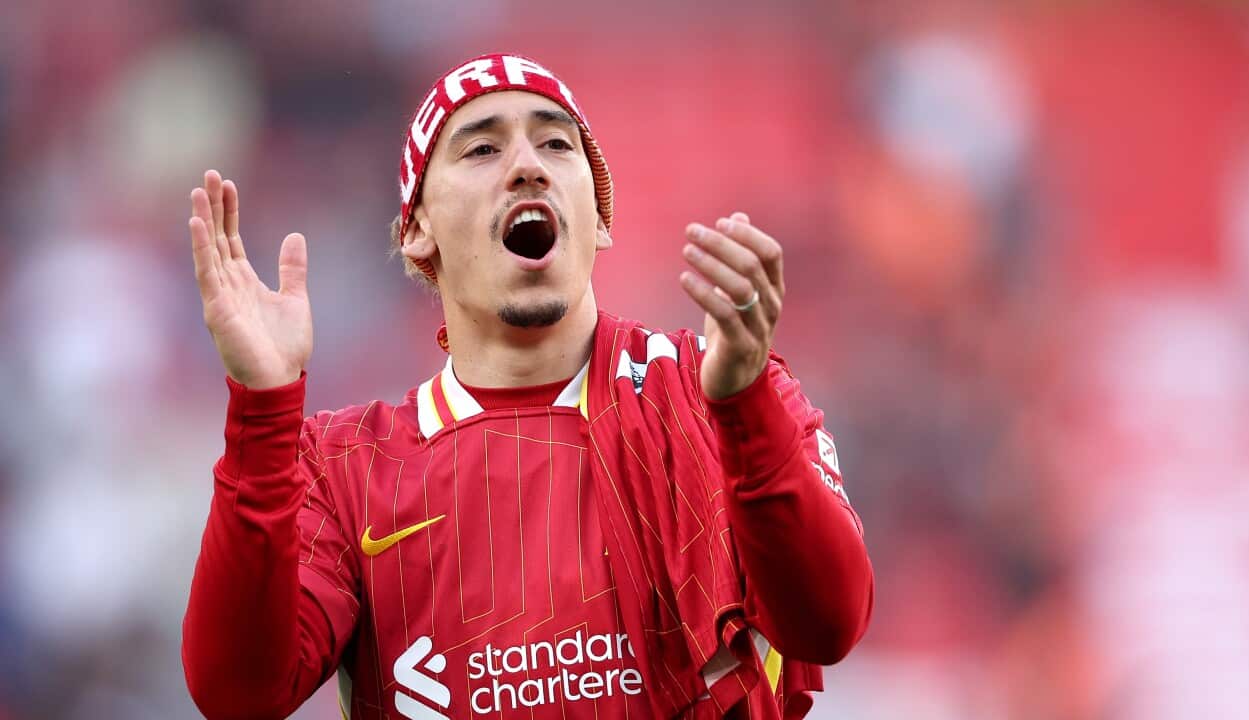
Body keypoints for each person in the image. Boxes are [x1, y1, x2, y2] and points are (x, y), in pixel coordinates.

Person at [181, 53, 873, 720]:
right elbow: (238, 693)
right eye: (482, 150)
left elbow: (831, 622)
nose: (527, 167)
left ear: (598, 217)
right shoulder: (343, 468)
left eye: (555, 143)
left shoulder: (715, 395)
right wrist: (262, 413)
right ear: (418, 229)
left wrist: (745, 407)